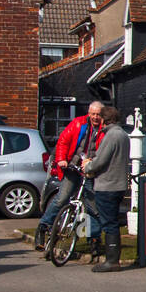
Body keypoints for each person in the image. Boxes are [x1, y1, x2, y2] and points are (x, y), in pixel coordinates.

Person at [37, 101, 104, 257]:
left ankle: (94, 239)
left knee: (92, 206)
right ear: (88, 113)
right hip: (72, 166)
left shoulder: (104, 129)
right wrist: (61, 159)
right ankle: (44, 226)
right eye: (92, 114)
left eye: (98, 114)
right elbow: (63, 141)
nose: (95, 117)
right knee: (62, 198)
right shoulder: (78, 123)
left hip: (90, 170)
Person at [80, 106, 128, 273]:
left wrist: (88, 166)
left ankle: (112, 261)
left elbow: (101, 161)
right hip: (118, 184)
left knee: (109, 223)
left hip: (107, 185)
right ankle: (112, 259)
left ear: (104, 119)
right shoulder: (122, 134)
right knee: (112, 221)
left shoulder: (111, 135)